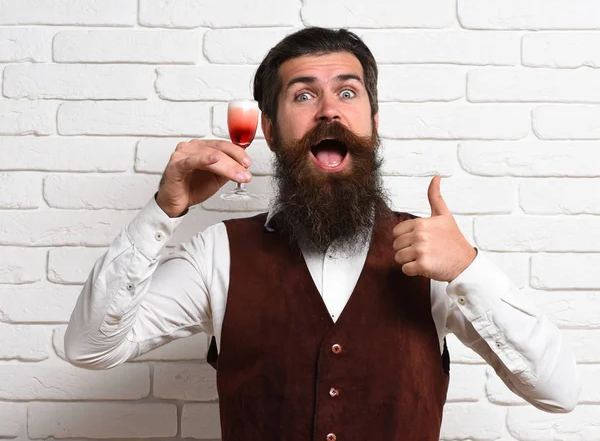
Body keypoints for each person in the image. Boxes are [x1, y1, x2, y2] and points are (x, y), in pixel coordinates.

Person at [65, 27, 581, 441]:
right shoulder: (219, 253)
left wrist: (470, 269)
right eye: (304, 94)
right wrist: (164, 211)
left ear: (373, 122)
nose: (329, 110)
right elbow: (90, 348)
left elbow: (558, 392)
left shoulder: (435, 257)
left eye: (347, 92)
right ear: (270, 128)